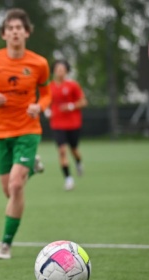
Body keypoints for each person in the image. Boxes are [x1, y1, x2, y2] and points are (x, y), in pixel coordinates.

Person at [0, 8, 51, 260]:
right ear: (4, 34)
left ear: (27, 32)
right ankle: (32, 167)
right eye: (11, 28)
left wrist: (40, 106)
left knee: (17, 186)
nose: (15, 32)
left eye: (20, 28)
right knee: (9, 191)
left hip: (28, 130)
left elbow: (47, 93)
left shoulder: (39, 63)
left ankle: (5, 244)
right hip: (0, 131)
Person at [47, 59, 87, 191]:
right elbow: (46, 102)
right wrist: (47, 110)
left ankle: (78, 162)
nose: (60, 72)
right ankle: (68, 179)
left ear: (67, 71)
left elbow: (83, 102)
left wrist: (71, 106)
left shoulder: (73, 85)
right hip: (58, 124)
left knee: (74, 150)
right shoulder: (50, 87)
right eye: (57, 69)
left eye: (62, 69)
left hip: (73, 123)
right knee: (62, 151)